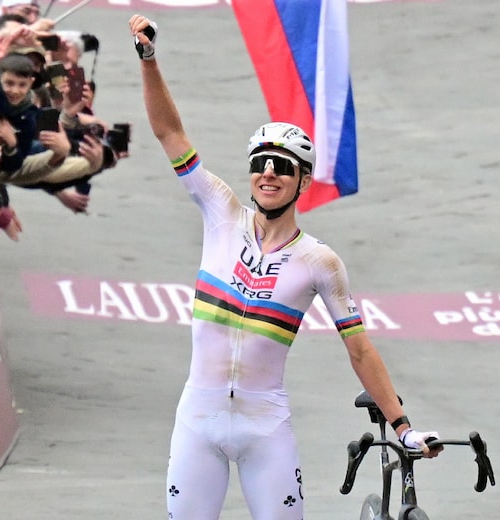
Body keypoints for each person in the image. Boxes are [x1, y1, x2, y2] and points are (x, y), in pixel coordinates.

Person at [128, 15, 442, 520]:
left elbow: (359, 349)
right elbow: (169, 130)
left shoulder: (319, 260)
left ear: (301, 183)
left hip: (265, 426)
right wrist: (148, 59)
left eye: (282, 165)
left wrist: (403, 427)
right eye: (260, 162)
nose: (268, 171)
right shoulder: (221, 213)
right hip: (198, 420)